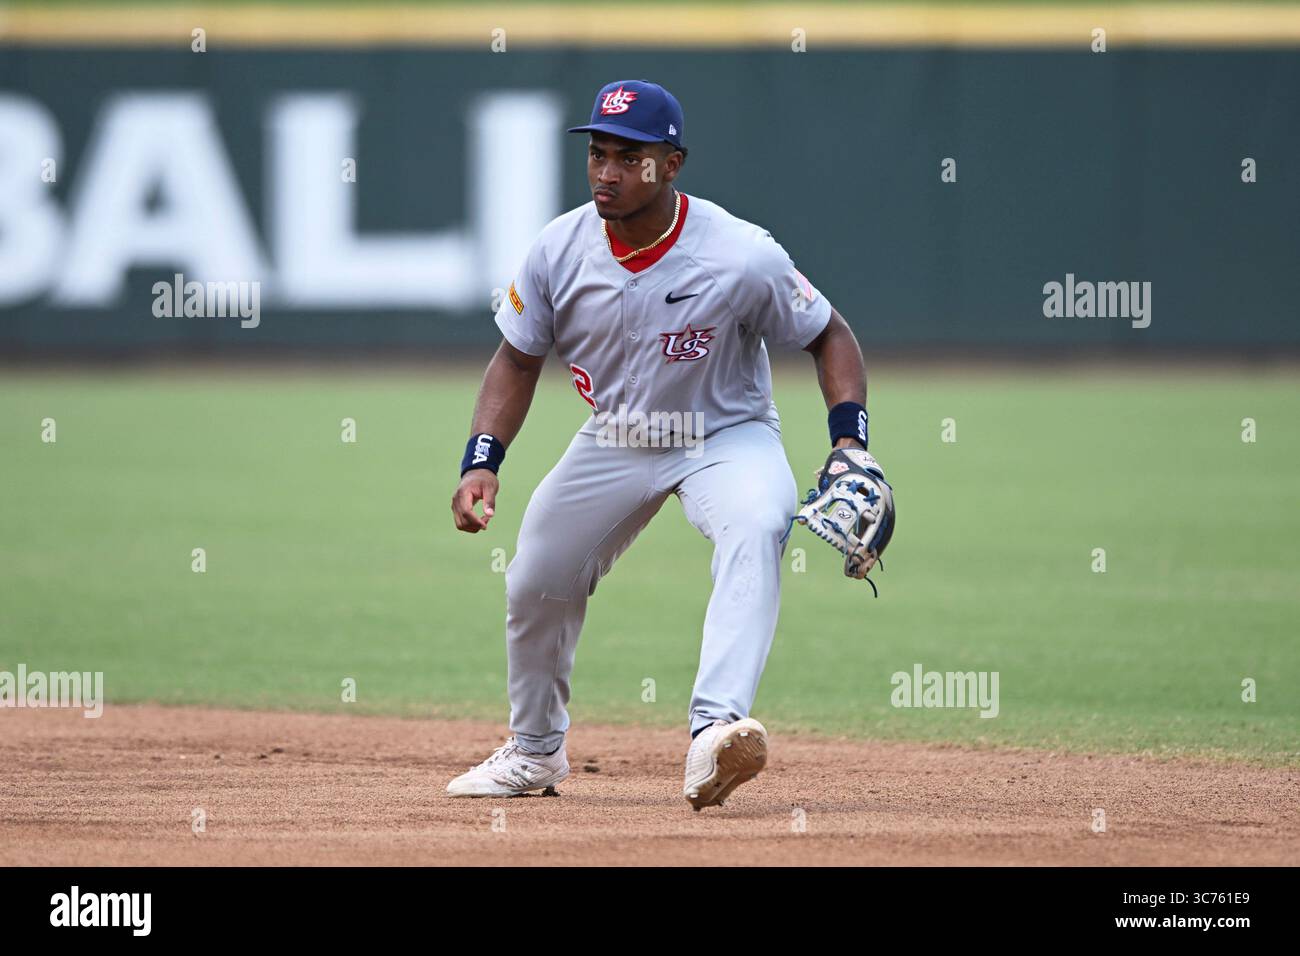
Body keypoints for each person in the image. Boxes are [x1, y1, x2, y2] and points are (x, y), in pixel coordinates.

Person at [448, 79, 887, 810]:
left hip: (727, 432)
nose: (608, 172)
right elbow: (517, 359)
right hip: (618, 436)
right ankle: (532, 752)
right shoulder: (559, 249)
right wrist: (482, 461)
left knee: (757, 523)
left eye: (631, 156)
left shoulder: (741, 255)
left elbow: (829, 335)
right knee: (535, 577)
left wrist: (852, 444)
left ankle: (715, 733)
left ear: (672, 163)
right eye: (598, 154)